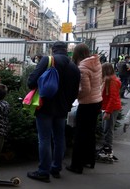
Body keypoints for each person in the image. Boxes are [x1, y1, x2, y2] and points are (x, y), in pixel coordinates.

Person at [26, 41, 80, 182]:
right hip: (62, 109)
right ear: (66, 50)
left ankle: (43, 171)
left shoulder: (48, 60)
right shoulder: (74, 67)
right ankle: (56, 168)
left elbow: (31, 82)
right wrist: (67, 105)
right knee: (59, 138)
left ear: (53, 49)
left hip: (45, 106)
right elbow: (75, 92)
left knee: (44, 139)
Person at [66, 43, 102, 174]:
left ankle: (76, 165)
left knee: (80, 134)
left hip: (87, 104)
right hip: (97, 101)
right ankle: (89, 160)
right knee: (90, 133)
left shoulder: (83, 67)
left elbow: (85, 90)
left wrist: (76, 96)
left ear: (77, 54)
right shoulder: (96, 63)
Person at [96, 62, 121, 162]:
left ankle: (108, 151)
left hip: (111, 109)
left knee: (108, 129)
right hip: (109, 108)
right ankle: (106, 149)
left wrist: (108, 111)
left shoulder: (111, 81)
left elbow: (112, 98)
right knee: (106, 129)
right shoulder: (109, 80)